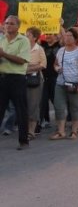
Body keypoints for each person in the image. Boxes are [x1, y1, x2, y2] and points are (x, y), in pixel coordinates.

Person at [0, 16, 31, 150]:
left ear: (18, 26)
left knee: (20, 110)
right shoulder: (1, 39)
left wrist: (4, 55)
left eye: (11, 24)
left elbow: (22, 60)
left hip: (17, 79)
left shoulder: (23, 40)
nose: (8, 26)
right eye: (6, 23)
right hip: (2, 78)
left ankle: (23, 141)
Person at [50, 28, 78, 140]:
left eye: (70, 35)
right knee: (59, 107)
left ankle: (74, 131)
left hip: (75, 83)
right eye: (66, 35)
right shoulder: (61, 50)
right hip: (61, 83)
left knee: (75, 107)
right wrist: (57, 69)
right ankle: (61, 131)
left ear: (76, 38)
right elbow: (55, 64)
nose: (67, 37)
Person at [25, 26, 47, 141]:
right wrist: (31, 66)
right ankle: (25, 128)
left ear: (34, 37)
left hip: (35, 80)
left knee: (33, 105)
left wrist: (28, 67)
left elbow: (43, 65)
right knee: (23, 105)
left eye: (28, 35)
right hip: (22, 79)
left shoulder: (39, 49)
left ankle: (31, 131)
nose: (25, 37)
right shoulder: (22, 48)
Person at [39, 33, 61, 130]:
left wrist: (60, 25)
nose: (48, 36)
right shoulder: (42, 45)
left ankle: (59, 121)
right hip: (43, 77)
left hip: (55, 78)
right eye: (46, 34)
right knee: (43, 100)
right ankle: (45, 120)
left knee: (56, 100)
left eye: (50, 34)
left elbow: (64, 38)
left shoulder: (59, 46)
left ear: (56, 36)